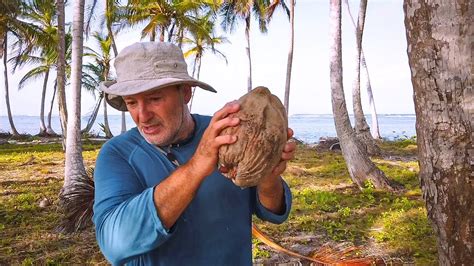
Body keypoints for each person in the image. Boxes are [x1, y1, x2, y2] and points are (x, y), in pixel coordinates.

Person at [93, 42, 296, 266]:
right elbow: (114, 243)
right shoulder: (117, 154)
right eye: (132, 103)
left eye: (154, 99)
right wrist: (197, 164)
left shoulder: (223, 134)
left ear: (186, 93)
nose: (143, 116)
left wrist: (268, 175)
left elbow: (273, 211)